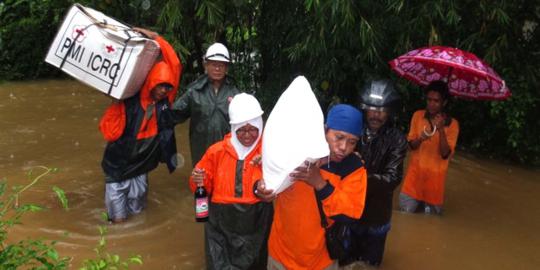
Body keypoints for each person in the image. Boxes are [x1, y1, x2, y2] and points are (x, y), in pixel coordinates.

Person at [257, 104, 368, 270]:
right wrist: (259, 189)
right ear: (324, 131)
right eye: (339, 137)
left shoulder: (354, 168)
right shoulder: (295, 151)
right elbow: (263, 175)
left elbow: (350, 215)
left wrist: (320, 184)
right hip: (280, 253)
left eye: (352, 142)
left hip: (321, 260)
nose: (344, 147)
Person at [99, 28, 182, 223]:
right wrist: (115, 105)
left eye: (167, 87)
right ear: (151, 82)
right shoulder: (128, 99)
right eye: (160, 86)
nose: (163, 91)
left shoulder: (165, 103)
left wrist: (157, 38)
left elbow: (175, 65)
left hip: (141, 164)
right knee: (118, 220)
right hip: (118, 165)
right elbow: (109, 133)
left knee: (138, 215)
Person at [189, 93, 273, 269]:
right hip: (220, 224)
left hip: (257, 221)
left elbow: (281, 182)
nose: (247, 135)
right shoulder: (216, 152)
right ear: (233, 129)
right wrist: (198, 180)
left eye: (252, 129)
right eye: (241, 129)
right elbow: (201, 190)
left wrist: (267, 162)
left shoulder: (270, 151)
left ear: (260, 125)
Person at [340, 80, 408, 267]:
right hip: (348, 209)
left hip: (376, 215)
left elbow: (392, 178)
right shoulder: (352, 132)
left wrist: (358, 176)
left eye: (382, 110)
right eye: (372, 109)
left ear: (389, 112)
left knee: (370, 263)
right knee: (343, 259)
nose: (376, 114)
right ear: (364, 109)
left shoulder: (397, 140)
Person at [172, 42, 240, 167]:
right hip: (201, 153)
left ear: (226, 68)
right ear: (206, 65)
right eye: (214, 64)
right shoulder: (194, 92)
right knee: (202, 183)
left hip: (227, 152)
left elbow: (246, 127)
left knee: (226, 184)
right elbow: (174, 114)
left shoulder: (235, 94)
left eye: (221, 65)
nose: (217, 69)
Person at [399, 80, 460, 215]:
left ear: (444, 103)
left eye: (436, 101)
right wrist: (421, 138)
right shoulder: (418, 116)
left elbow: (445, 154)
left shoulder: (453, 124)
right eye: (429, 100)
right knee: (405, 218)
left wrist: (441, 130)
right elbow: (410, 146)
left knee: (431, 224)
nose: (431, 104)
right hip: (413, 184)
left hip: (434, 188)